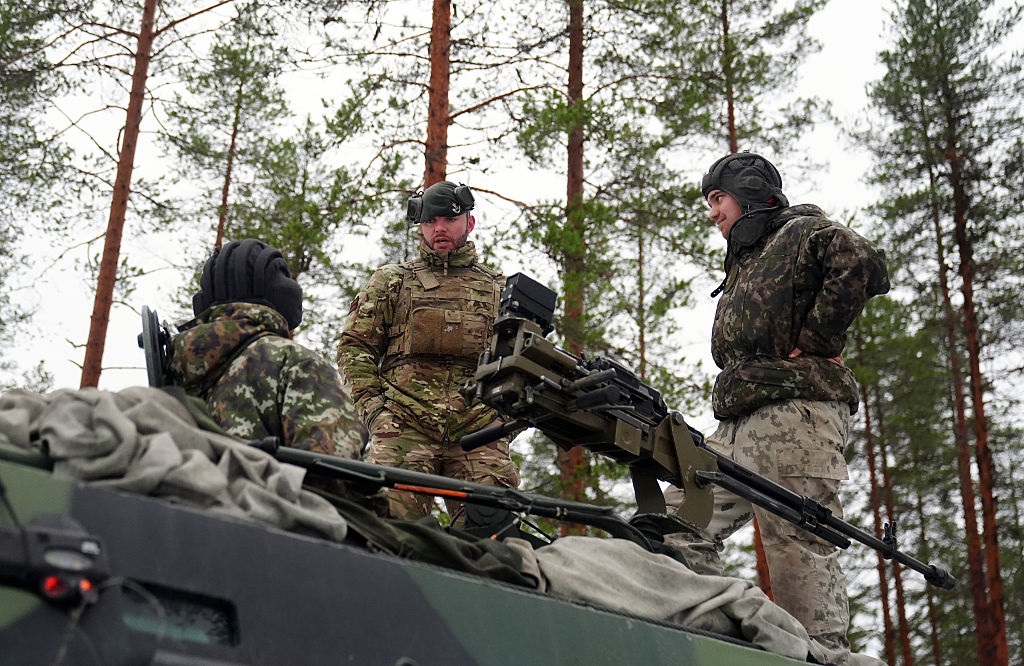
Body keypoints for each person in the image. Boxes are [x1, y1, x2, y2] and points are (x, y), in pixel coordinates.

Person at [663, 151, 890, 665]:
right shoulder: (745, 258)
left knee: (796, 542)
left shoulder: (798, 232)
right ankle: (733, 639)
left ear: (746, 193)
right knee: (674, 523)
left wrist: (818, 336)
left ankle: (818, 659)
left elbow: (861, 260)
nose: (713, 212)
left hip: (796, 414)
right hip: (736, 422)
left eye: (718, 199)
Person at [337, 181, 520, 520]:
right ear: (420, 226)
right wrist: (377, 414)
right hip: (404, 426)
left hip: (478, 431)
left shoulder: (501, 289)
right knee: (385, 533)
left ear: (470, 222)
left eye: (449, 220)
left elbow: (524, 365)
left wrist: (503, 421)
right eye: (430, 222)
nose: (439, 229)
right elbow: (354, 349)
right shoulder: (393, 281)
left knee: (494, 539)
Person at [168, 238, 363, 459]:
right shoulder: (296, 364)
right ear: (284, 293)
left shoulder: (176, 360)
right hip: (266, 492)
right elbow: (337, 469)